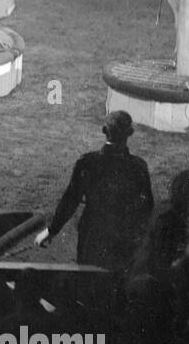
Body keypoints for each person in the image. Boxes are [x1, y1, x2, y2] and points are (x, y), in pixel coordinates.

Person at [36, 110, 154, 277]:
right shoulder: (139, 167)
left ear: (104, 131)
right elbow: (147, 208)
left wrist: (51, 230)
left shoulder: (87, 163)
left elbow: (71, 200)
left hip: (92, 235)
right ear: (130, 133)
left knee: (87, 280)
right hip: (123, 238)